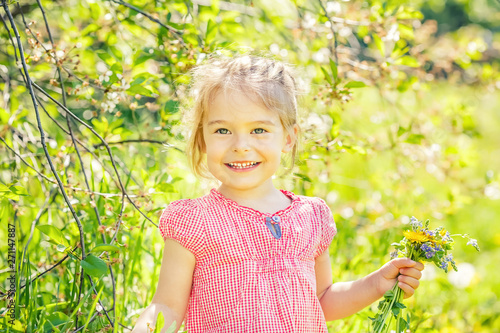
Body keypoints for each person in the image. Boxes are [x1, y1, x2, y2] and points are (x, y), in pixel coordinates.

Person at [131, 54, 424, 333]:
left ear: (288, 138)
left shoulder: (312, 217)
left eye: (258, 130)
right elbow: (167, 307)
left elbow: (321, 300)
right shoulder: (194, 221)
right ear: (202, 139)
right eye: (222, 131)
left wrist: (376, 284)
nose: (241, 145)